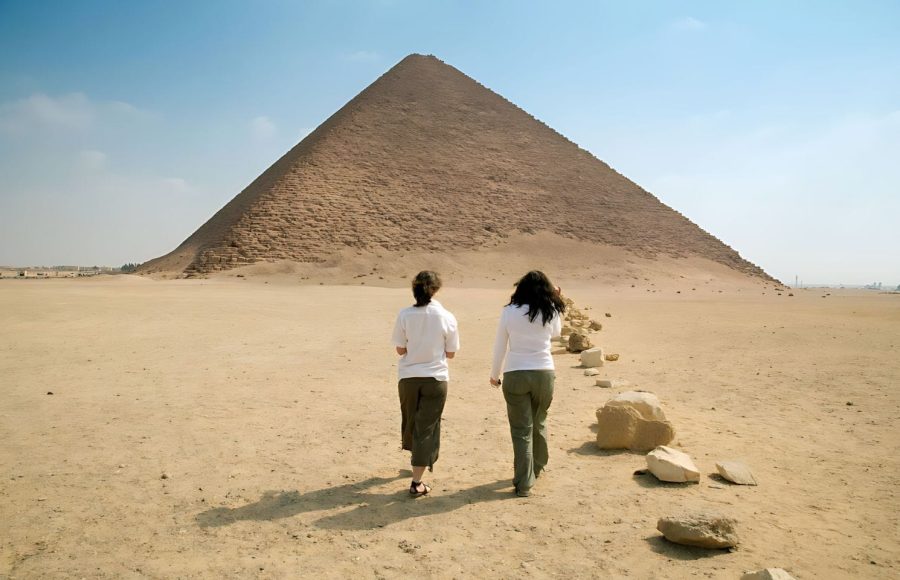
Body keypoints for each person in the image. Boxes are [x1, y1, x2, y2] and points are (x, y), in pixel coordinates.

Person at [489, 271, 565, 497]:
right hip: (544, 372)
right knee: (539, 420)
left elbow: (500, 345)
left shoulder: (508, 312)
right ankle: (537, 467)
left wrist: (495, 374)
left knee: (522, 430)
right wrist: (555, 300)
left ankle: (524, 483)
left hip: (516, 373)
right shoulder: (549, 309)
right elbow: (557, 334)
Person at [392, 271, 459, 496]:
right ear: (436, 289)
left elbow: (400, 349)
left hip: (408, 377)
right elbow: (451, 353)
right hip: (435, 377)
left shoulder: (404, 315)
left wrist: (416, 346)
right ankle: (416, 482)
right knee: (427, 427)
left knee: (411, 421)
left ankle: (416, 462)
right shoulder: (447, 316)